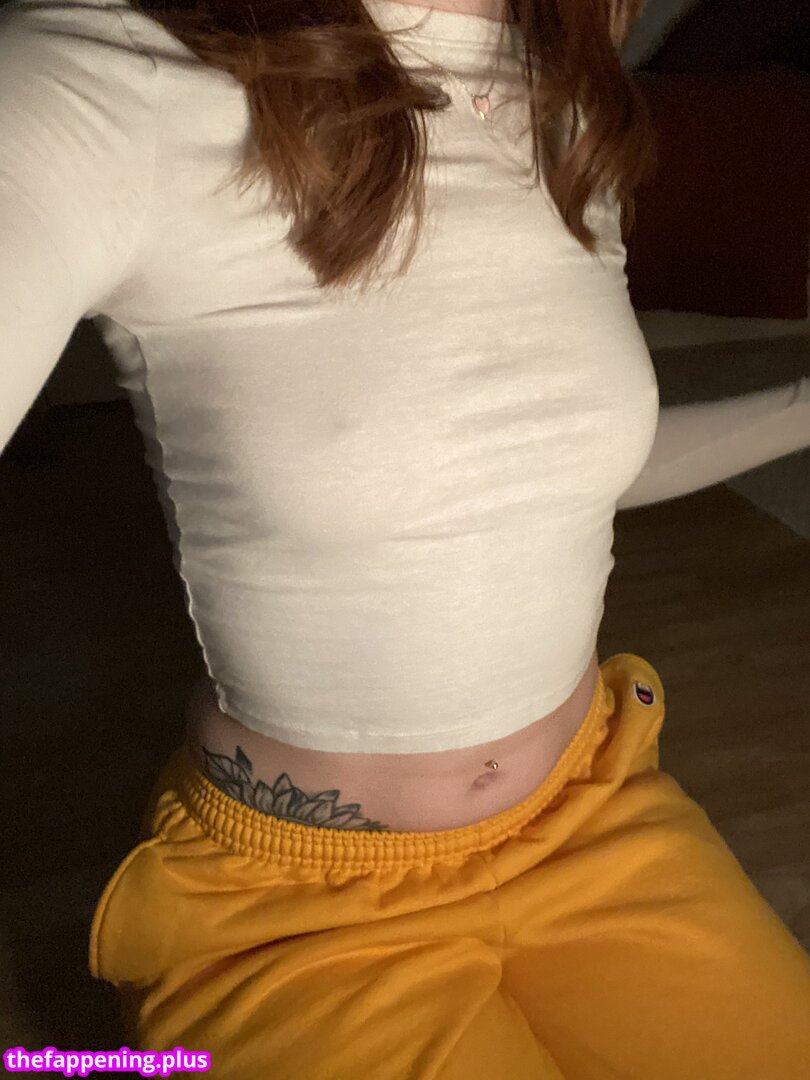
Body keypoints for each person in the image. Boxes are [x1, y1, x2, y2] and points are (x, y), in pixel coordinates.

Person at [2, 0, 809, 1075]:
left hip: (589, 810)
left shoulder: (567, 99)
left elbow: (538, 471)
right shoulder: (106, 79)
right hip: (298, 909)